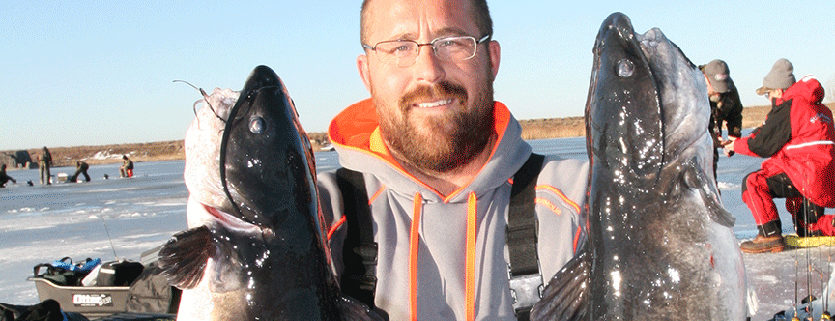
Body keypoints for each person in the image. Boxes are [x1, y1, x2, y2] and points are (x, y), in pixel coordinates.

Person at [317, 1, 588, 319]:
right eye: (400, 47)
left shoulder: (586, 203)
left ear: (491, 58)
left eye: (452, 42)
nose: (428, 71)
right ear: (367, 73)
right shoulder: (312, 219)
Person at [725, 58, 835, 253]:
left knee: (752, 183)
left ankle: (769, 235)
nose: (768, 99)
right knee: (809, 230)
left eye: (768, 94)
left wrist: (735, 144)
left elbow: (763, 144)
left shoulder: (791, 106)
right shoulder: (821, 109)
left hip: (805, 177)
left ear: (778, 91)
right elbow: (782, 140)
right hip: (824, 179)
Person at [699, 59, 744, 180]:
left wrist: (733, 137)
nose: (719, 92)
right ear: (705, 78)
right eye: (716, 87)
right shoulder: (688, 87)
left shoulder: (730, 90)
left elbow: (735, 115)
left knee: (710, 182)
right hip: (686, 148)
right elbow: (687, 128)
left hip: (710, 148)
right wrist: (713, 139)